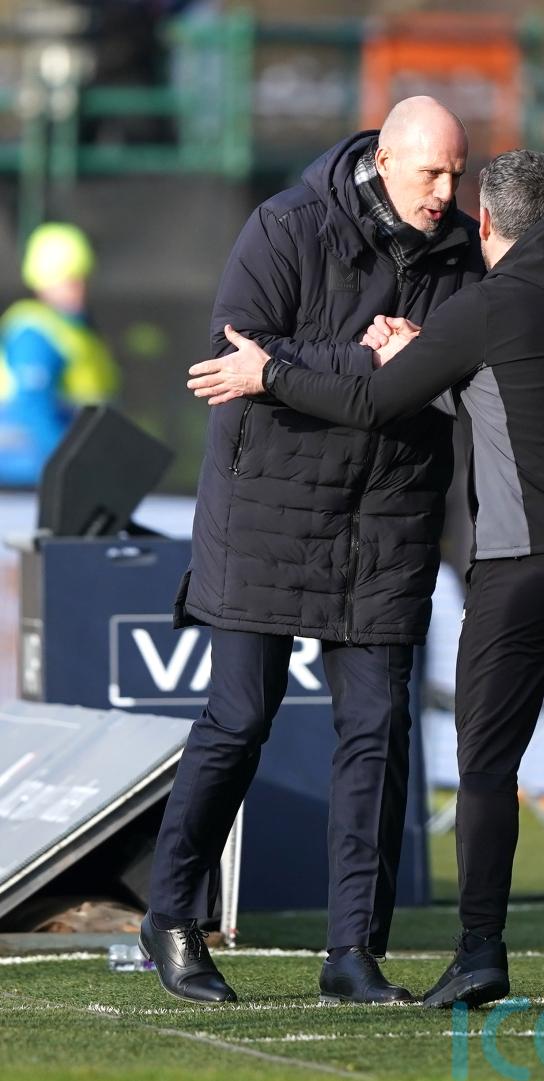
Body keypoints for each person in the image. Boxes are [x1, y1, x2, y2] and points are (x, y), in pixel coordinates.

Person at [188, 149, 544, 1008]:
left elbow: (373, 403)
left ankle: (479, 952)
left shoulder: (485, 306)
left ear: (488, 224)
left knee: (485, 765)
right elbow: (509, 397)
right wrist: (426, 350)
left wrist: (269, 372)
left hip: (526, 563)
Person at [139, 95, 484, 1006]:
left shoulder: (460, 254)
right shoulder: (287, 224)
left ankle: (353, 955)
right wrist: (379, 367)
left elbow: (472, 371)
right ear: (386, 159)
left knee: (377, 734)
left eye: (457, 174)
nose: (446, 194)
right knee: (239, 719)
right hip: (265, 511)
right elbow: (231, 356)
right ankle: (170, 913)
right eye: (431, 175)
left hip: (388, 523)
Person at [0, 223, 118, 487]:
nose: (79, 288)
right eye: (68, 279)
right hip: (25, 478)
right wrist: (69, 465)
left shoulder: (79, 331)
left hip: (54, 476)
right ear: (44, 281)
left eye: (81, 277)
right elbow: (32, 405)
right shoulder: (35, 331)